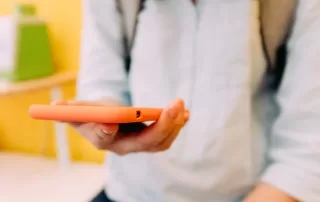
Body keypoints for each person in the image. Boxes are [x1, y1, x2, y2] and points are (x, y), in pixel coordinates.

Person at [55, 0, 320, 201]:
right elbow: (101, 81)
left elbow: (305, 148)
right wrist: (104, 117)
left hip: (252, 193)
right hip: (131, 192)